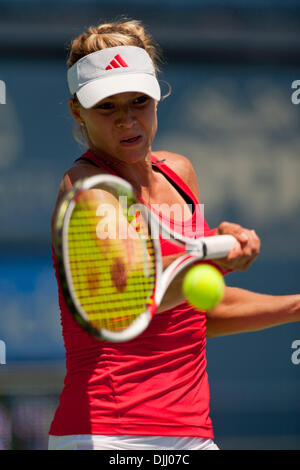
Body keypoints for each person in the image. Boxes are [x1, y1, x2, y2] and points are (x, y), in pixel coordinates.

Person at [48, 19, 299, 451]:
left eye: (139, 101)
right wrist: (212, 253)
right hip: (107, 436)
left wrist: (295, 306)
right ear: (77, 110)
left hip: (193, 435)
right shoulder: (87, 188)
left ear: (158, 97)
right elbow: (130, 296)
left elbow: (198, 305)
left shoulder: (180, 174)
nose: (128, 120)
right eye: (107, 106)